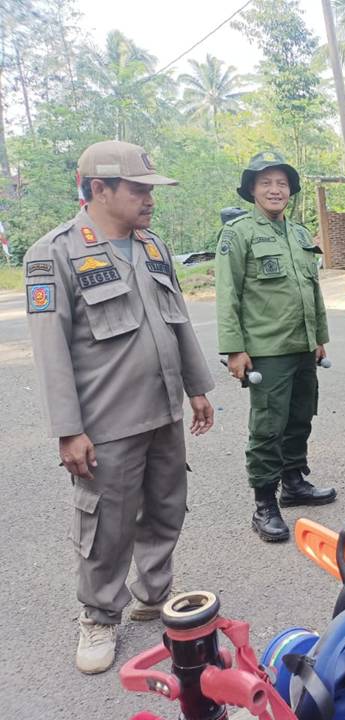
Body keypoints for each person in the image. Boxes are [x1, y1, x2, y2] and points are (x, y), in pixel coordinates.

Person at [24, 140, 215, 674]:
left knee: (166, 506)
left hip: (162, 408)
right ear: (98, 189)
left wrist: (197, 388)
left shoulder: (152, 246)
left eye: (151, 189)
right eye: (138, 189)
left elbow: (177, 321)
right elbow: (51, 351)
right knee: (106, 523)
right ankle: (100, 614)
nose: (149, 199)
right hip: (105, 421)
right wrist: (68, 429)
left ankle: (153, 591)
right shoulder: (54, 253)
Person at [216, 151, 336, 544]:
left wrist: (318, 337)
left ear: (291, 191)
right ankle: (265, 503)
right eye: (266, 183)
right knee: (268, 426)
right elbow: (227, 294)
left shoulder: (300, 234)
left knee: (301, 417)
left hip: (302, 346)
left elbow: (312, 289)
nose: (274, 190)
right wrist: (234, 349)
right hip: (266, 350)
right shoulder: (237, 234)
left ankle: (294, 481)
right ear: (252, 189)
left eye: (281, 183)